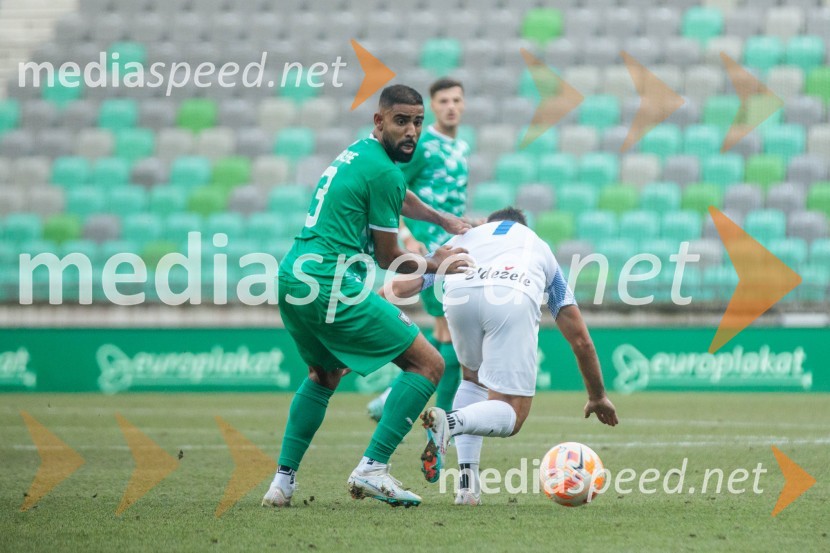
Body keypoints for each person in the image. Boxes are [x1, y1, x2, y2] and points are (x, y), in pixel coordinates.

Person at [262, 85, 472, 509]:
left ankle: (282, 484)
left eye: (417, 122)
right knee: (428, 363)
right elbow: (389, 256)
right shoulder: (385, 172)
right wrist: (439, 262)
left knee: (323, 375)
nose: (411, 130)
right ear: (379, 121)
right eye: (401, 121)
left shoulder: (361, 153)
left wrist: (438, 218)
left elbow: (399, 195)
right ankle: (373, 467)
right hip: (330, 282)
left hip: (293, 275)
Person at [380, 207, 619, 506]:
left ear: (490, 224)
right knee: (513, 413)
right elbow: (581, 340)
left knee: (472, 378)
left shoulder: (467, 236)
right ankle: (450, 423)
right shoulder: (537, 246)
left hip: (459, 295)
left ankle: (467, 489)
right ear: (522, 225)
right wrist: (597, 395)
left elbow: (410, 282)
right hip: (510, 294)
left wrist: (370, 305)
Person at [367, 78, 471, 423]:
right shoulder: (423, 145)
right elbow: (394, 187)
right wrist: (406, 234)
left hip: (451, 246)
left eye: (456, 100)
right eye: (443, 101)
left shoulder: (462, 147)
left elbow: (450, 201)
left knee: (448, 332)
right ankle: (441, 416)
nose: (451, 106)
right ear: (433, 105)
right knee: (450, 333)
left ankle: (394, 399)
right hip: (430, 249)